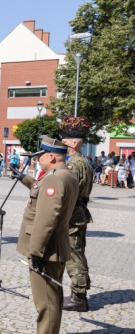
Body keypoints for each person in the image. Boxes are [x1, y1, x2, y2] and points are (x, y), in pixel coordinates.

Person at [13, 136, 79, 334]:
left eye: (40, 156)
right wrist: (25, 179)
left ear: (51, 156)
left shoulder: (54, 179)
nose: (38, 159)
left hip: (46, 250)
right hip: (54, 248)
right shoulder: (64, 175)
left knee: (47, 301)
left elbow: (46, 219)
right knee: (51, 298)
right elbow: (43, 191)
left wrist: (36, 251)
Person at [58, 129, 94, 311]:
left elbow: (67, 190)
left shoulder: (74, 164)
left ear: (73, 144)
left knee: (74, 255)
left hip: (73, 214)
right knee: (77, 252)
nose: (61, 144)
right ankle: (79, 293)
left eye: (64, 142)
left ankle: (78, 297)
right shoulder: (83, 162)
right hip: (79, 212)